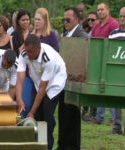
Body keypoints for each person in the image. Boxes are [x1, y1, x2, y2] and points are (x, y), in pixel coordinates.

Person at [16, 34, 66, 150]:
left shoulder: (49, 58)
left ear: (38, 49)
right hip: (38, 80)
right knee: (37, 115)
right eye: (26, 51)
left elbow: (43, 88)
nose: (28, 54)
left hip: (55, 82)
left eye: (31, 52)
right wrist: (19, 99)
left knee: (46, 115)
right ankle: (36, 144)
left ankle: (47, 146)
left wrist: (31, 112)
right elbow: (20, 78)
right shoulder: (24, 53)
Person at [59, 7, 89, 150]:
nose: (65, 22)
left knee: (73, 114)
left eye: (68, 19)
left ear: (76, 19)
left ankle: (72, 146)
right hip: (64, 80)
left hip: (75, 81)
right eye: (63, 19)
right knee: (63, 114)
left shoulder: (81, 35)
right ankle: (63, 144)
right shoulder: (66, 34)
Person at [89, 2, 119, 125]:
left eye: (102, 9)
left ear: (108, 10)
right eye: (98, 10)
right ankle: (99, 117)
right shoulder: (96, 26)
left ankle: (112, 119)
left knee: (111, 89)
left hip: (110, 60)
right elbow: (93, 42)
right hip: (98, 61)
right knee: (99, 89)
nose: (99, 11)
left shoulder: (113, 24)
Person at [108, 6, 125, 135]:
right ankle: (117, 127)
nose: (122, 19)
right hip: (116, 70)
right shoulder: (113, 34)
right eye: (121, 16)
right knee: (117, 100)